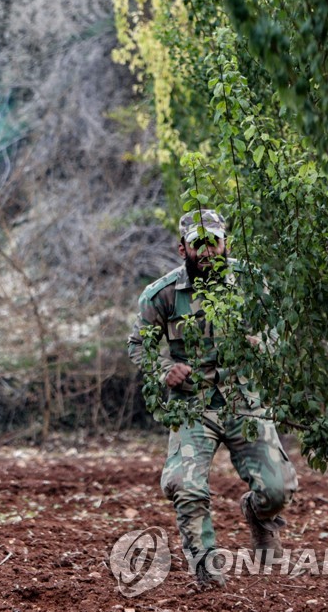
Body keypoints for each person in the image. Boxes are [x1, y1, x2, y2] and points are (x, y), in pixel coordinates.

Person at [126, 208, 297, 589]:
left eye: (213, 242)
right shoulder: (162, 295)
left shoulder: (253, 283)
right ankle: (206, 572)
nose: (206, 251)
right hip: (192, 407)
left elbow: (280, 328)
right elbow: (140, 345)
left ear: (225, 244)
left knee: (278, 488)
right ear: (182, 247)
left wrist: (263, 345)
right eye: (197, 244)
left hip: (244, 401)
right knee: (186, 487)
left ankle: (258, 515)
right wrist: (163, 369)